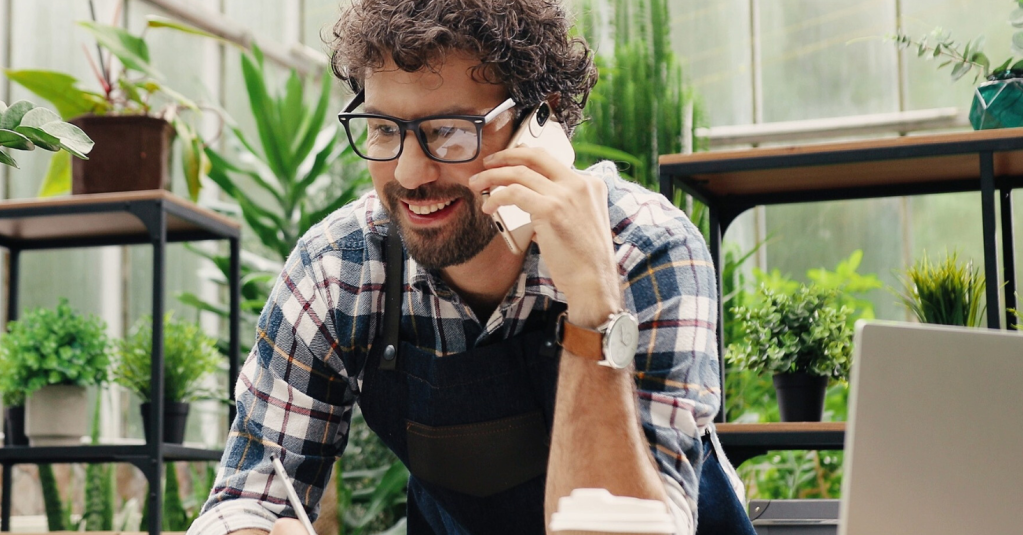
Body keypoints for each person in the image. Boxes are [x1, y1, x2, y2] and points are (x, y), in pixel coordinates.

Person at [188, 1, 753, 534]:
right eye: (385, 129)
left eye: (449, 132)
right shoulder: (340, 269)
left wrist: (593, 306)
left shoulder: (645, 248)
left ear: (542, 120)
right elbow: (248, 497)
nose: (409, 174)